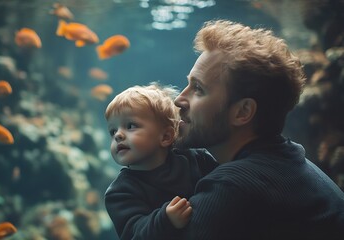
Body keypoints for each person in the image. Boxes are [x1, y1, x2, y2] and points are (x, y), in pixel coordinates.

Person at [174, 19, 344, 239]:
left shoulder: (233, 186)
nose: (179, 99)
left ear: (243, 112)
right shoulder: (291, 160)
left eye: (198, 89)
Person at [104, 83, 218, 240]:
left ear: (165, 137)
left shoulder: (195, 158)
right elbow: (134, 234)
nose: (118, 135)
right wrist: (165, 220)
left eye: (130, 126)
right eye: (113, 131)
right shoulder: (120, 192)